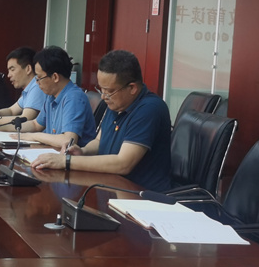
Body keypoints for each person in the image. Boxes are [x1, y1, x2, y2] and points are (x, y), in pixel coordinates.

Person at [31, 49, 172, 192]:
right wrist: (83, 151)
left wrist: (66, 161)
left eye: (109, 91)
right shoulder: (117, 102)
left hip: (140, 195)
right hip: (111, 185)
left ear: (132, 88)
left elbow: (123, 163)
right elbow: (99, 141)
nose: (103, 97)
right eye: (101, 89)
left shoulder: (149, 109)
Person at [0, 46, 96, 149]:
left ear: (55, 77)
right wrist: (0, 126)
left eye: (39, 77)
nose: (37, 82)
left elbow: (68, 140)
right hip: (53, 152)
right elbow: (36, 124)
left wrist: (34, 136)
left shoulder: (74, 98)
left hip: (72, 157)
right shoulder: (51, 96)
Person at [0, 46, 48, 126]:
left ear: (28, 69)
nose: (9, 75)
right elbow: (11, 111)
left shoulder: (37, 86)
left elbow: (25, 118)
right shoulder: (29, 88)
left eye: (12, 70)